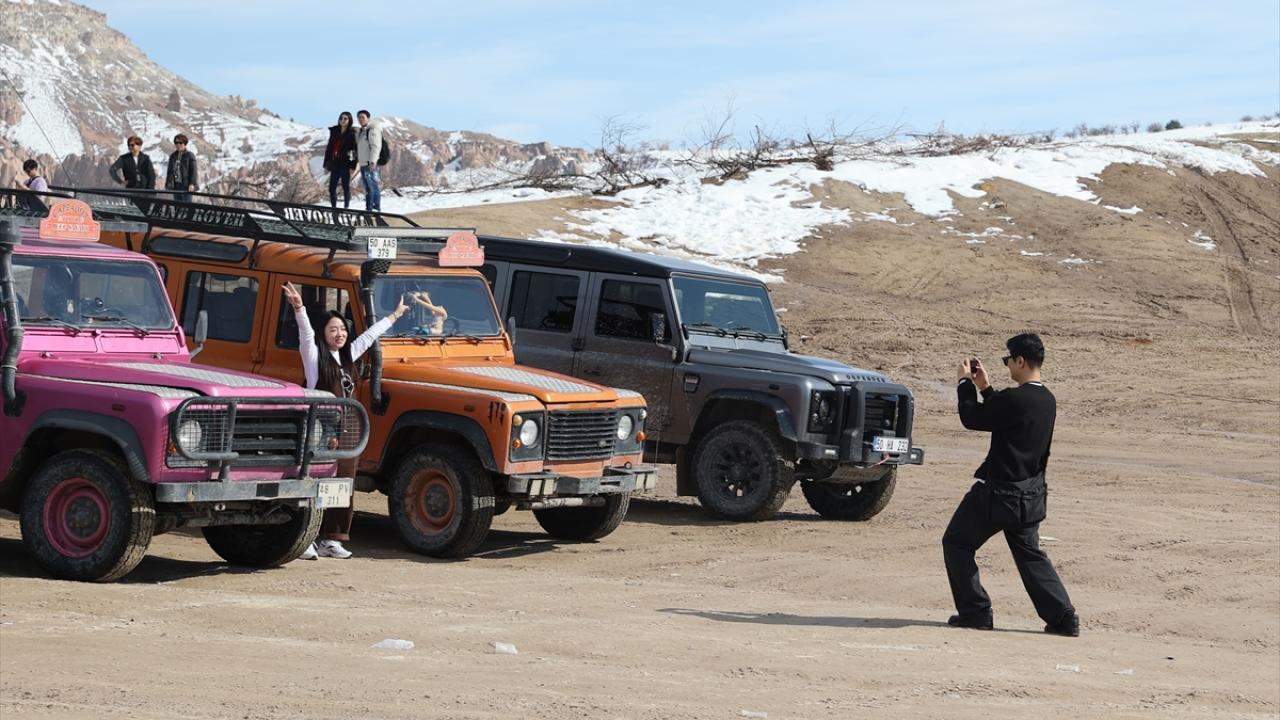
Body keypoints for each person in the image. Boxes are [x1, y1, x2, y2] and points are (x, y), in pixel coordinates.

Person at [943, 332, 1079, 637]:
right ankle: (1064, 617)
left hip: (997, 495)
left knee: (956, 543)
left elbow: (972, 418)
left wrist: (965, 383)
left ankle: (976, 612)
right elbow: (1007, 417)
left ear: (1020, 360)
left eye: (1008, 359)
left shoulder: (1015, 399)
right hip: (1030, 495)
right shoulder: (1047, 400)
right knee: (1031, 555)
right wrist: (986, 388)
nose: (1007, 365)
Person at [282, 282, 408, 559]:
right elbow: (306, 334)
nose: (339, 334)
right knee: (314, 481)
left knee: (342, 484)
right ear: (323, 334)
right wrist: (299, 308)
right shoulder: (314, 358)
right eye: (332, 330)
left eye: (342, 329)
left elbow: (370, 335)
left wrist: (395, 316)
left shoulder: (349, 354)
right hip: (321, 429)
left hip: (348, 428)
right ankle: (305, 539)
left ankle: (332, 538)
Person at [323, 112, 358, 209]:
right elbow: (329, 148)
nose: (343, 120)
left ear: (349, 120)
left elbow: (354, 151)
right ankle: (333, 208)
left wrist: (352, 165)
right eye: (341, 118)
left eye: (345, 118)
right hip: (334, 163)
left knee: (345, 186)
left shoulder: (352, 133)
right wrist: (326, 164)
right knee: (332, 187)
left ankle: (346, 207)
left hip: (345, 163)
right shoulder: (334, 131)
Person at [355, 109, 383, 212]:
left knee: (372, 186)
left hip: (369, 164)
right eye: (359, 117)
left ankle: (373, 208)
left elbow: (376, 146)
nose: (360, 119)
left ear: (368, 118)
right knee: (368, 187)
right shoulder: (364, 131)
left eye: (362, 117)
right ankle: (370, 208)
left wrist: (373, 162)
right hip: (364, 163)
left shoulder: (373, 130)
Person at [164, 134, 198, 202]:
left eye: (180, 143)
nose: (178, 145)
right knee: (177, 205)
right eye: (176, 143)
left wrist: (192, 184)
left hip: (186, 186)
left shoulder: (190, 155)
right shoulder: (173, 156)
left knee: (186, 205)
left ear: (185, 144)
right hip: (176, 185)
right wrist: (168, 183)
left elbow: (193, 171)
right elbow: (169, 171)